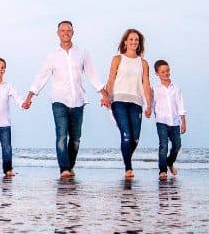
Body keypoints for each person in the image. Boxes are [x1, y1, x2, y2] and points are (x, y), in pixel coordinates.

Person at [22, 20, 110, 178]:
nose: (65, 33)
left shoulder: (82, 53)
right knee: (62, 135)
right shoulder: (52, 56)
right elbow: (41, 76)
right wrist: (29, 96)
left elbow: (92, 74)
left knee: (75, 139)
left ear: (73, 32)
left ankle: (70, 165)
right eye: (62, 31)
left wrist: (103, 93)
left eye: (68, 30)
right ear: (58, 33)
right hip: (59, 99)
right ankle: (64, 169)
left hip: (78, 99)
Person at [104, 28, 153, 178]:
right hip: (118, 101)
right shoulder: (117, 59)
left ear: (139, 43)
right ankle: (128, 168)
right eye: (131, 39)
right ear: (125, 42)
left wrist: (149, 104)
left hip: (136, 102)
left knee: (135, 138)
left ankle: (126, 156)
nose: (133, 42)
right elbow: (111, 79)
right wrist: (106, 96)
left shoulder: (143, 63)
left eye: (136, 40)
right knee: (126, 135)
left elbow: (146, 84)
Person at [151, 59, 187, 180]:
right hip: (161, 121)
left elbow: (180, 105)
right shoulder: (155, 89)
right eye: (163, 72)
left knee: (177, 145)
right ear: (157, 73)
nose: (166, 73)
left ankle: (170, 162)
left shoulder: (176, 88)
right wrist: (148, 111)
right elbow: (151, 103)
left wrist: (183, 122)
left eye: (167, 71)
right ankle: (162, 170)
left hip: (175, 121)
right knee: (164, 145)